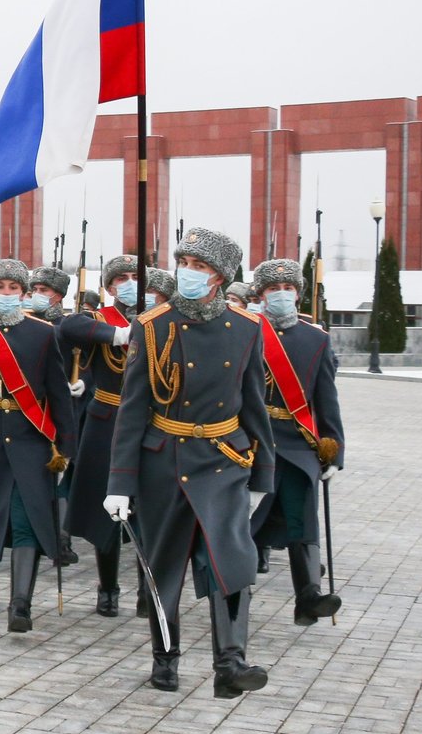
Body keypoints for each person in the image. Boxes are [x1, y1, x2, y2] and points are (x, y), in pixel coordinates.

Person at [107, 227, 276, 698]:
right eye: (185, 262)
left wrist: (263, 473)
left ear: (221, 277)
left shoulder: (246, 328)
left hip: (223, 459)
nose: (189, 273)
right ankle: (165, 659)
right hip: (165, 459)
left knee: (233, 558)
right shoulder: (151, 324)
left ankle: (231, 663)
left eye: (200, 267)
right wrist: (119, 482)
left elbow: (253, 404)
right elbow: (133, 408)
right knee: (164, 565)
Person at [0, 259, 77, 633]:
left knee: (28, 516)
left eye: (13, 289)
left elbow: (56, 390)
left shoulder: (41, 332)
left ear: (24, 293)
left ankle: (20, 602)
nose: (6, 294)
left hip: (29, 435)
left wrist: (65, 444)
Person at [249, 258, 345, 625]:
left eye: (289, 289)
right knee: (250, 522)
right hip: (255, 443)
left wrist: (333, 446)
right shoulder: (245, 331)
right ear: (261, 294)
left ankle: (308, 596)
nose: (282, 295)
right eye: (274, 289)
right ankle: (235, 595)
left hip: (298, 444)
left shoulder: (316, 338)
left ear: (299, 295)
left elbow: (326, 399)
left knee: (303, 517)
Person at [60, 254, 141, 616]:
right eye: (120, 278)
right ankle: (107, 586)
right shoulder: (99, 319)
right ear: (109, 287)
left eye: (135, 276)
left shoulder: (163, 319)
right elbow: (70, 328)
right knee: (105, 509)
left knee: (147, 512)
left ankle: (146, 590)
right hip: (106, 417)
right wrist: (119, 333)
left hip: (150, 424)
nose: (129, 282)